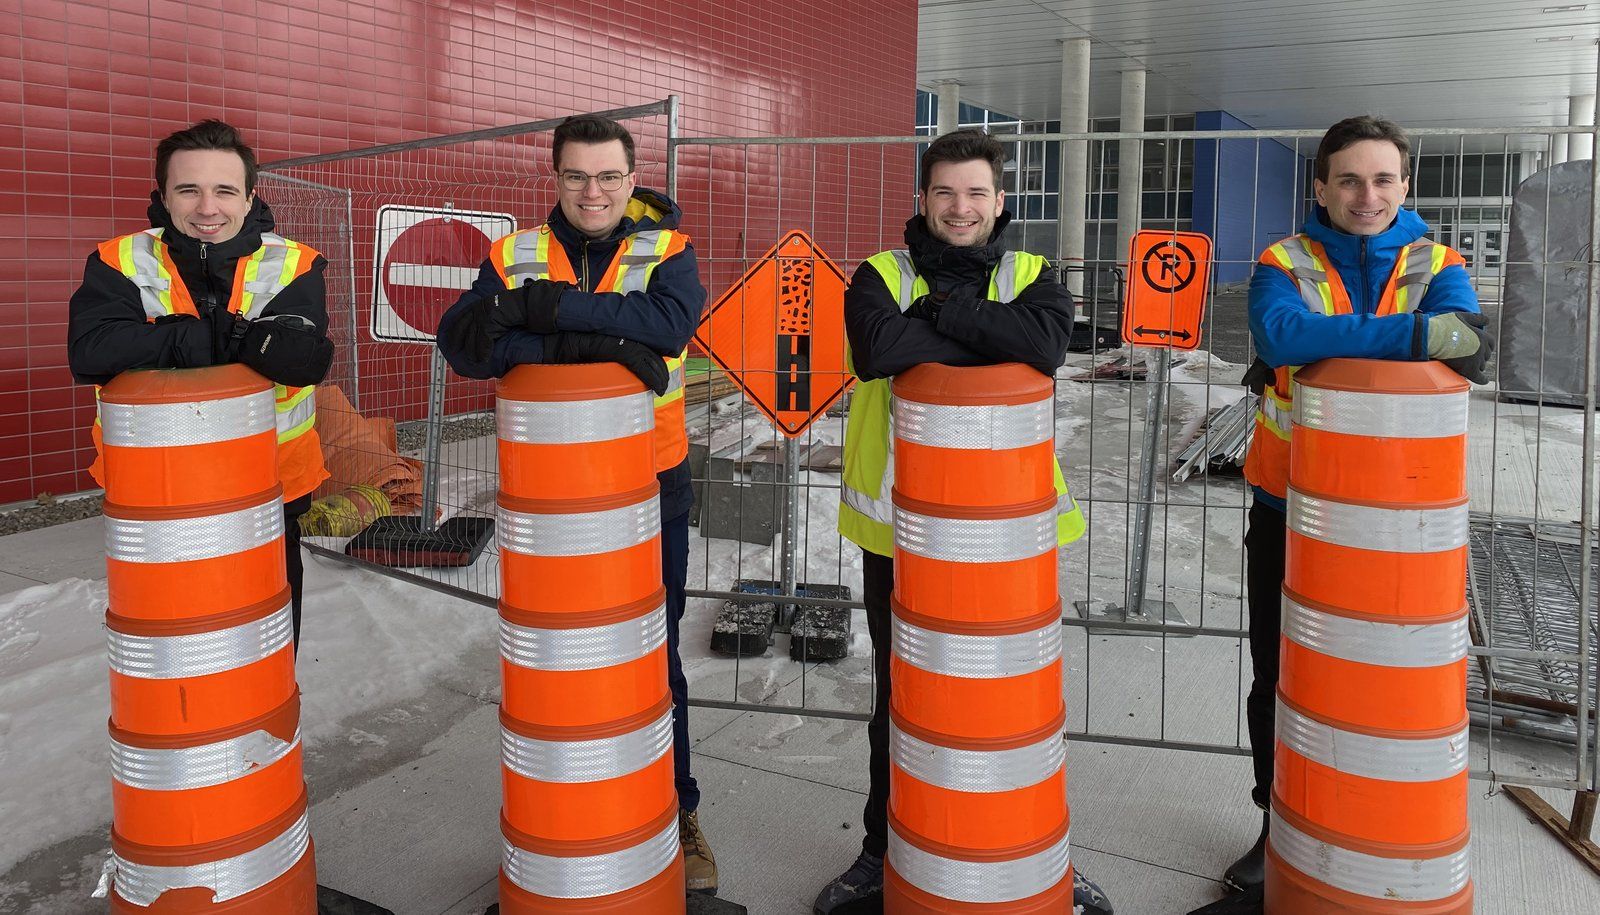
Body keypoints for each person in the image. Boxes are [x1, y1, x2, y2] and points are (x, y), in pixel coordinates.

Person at [1191, 115, 1491, 915]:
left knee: (1388, 684)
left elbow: (1471, 344)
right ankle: (1276, 823)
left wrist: (1348, 339)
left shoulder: (1438, 261)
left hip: (1402, 519)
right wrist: (1416, 335)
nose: (1368, 195)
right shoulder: (1283, 261)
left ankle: (1369, 835)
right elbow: (1281, 335)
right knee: (1278, 677)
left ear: (1404, 184)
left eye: (1384, 178)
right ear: (1319, 187)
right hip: (1288, 506)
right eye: (1350, 180)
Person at [816, 128, 1112, 915]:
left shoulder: (1034, 274)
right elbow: (881, 347)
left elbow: (1045, 345)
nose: (960, 207)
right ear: (922, 199)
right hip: (904, 528)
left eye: (976, 192)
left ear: (1000, 201)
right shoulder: (879, 276)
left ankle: (1037, 852)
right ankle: (885, 848)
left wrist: (941, 313)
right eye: (945, 192)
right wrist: (986, 333)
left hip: (1014, 529)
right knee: (906, 695)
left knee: (1017, 702)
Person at [435, 114, 716, 894]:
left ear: (633, 179)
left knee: (654, 654)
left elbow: (667, 325)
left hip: (647, 485)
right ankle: (570, 817)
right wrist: (610, 345)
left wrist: (543, 312)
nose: (592, 192)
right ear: (554, 179)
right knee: (558, 656)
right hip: (550, 495)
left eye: (609, 177)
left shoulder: (669, 251)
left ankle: (676, 806)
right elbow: (463, 341)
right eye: (576, 176)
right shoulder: (514, 252)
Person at [67, 119, 334, 649]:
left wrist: (159, 342)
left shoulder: (293, 265)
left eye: (224, 190)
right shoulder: (119, 261)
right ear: (163, 197)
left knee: (266, 635)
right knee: (174, 636)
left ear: (250, 195)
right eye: (188, 189)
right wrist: (227, 339)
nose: (207, 208)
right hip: (157, 488)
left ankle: (269, 721)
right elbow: (92, 351)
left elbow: (301, 359)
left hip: (268, 487)